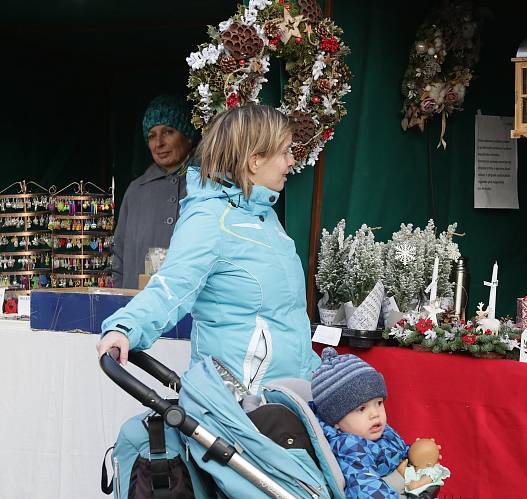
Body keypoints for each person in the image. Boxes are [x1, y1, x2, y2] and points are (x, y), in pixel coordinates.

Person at [97, 104, 320, 389]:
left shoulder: (264, 216)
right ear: (255, 160)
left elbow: (284, 316)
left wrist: (314, 373)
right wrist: (125, 328)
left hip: (286, 394)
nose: (291, 162)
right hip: (241, 401)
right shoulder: (210, 219)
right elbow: (171, 286)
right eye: (286, 151)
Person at [112, 94, 198, 289]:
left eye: (168, 132)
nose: (159, 143)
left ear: (188, 135)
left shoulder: (207, 184)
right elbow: (119, 258)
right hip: (137, 309)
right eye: (151, 135)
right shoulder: (136, 191)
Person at [311, 347, 409, 498]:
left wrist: (416, 453)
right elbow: (366, 489)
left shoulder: (376, 430)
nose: (375, 414)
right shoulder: (349, 447)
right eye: (362, 409)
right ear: (335, 420)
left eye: (379, 403)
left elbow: (396, 450)